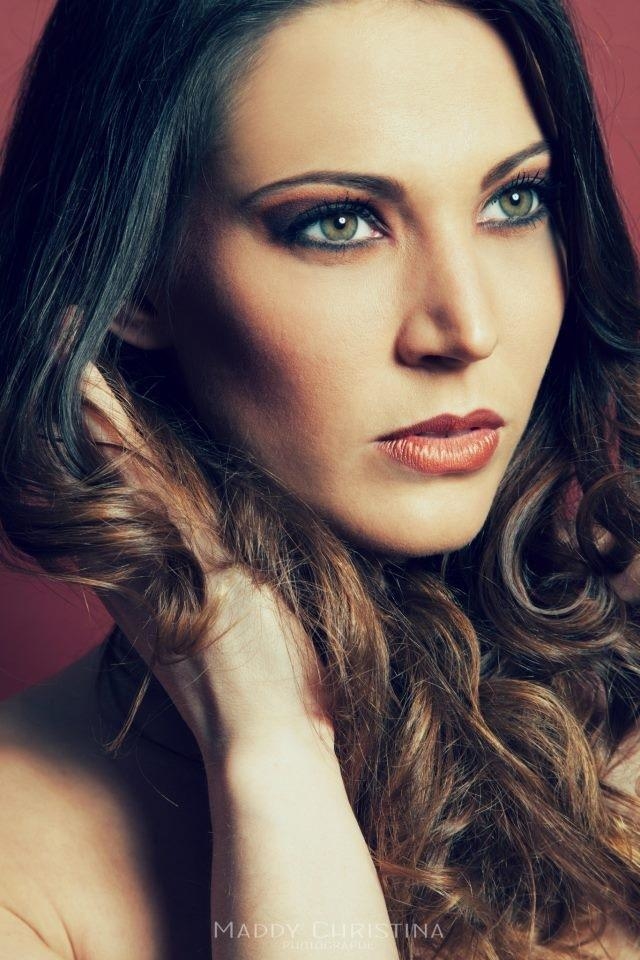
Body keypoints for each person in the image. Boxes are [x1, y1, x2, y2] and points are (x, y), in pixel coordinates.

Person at [1, 0, 640, 957]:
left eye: (514, 202)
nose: (467, 328)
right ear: (135, 282)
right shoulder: (21, 869)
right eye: (339, 222)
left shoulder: (617, 699)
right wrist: (268, 739)